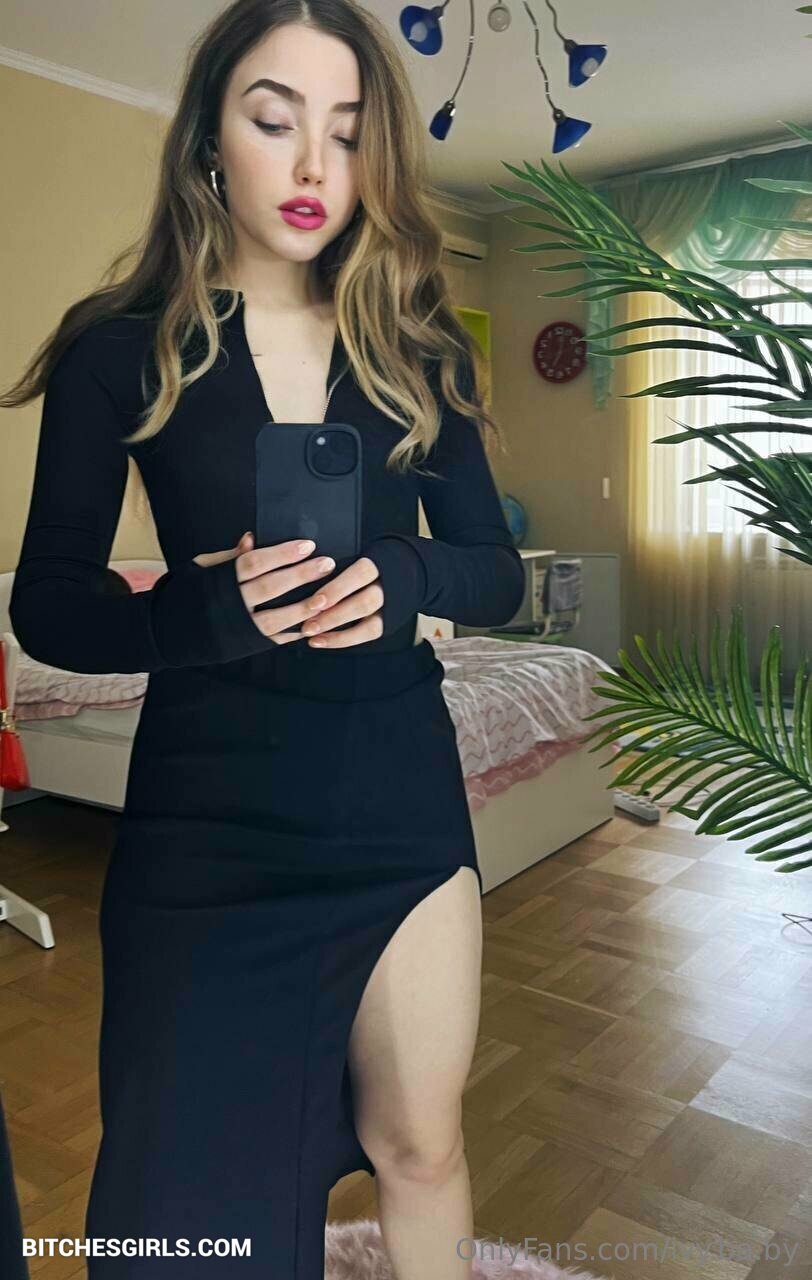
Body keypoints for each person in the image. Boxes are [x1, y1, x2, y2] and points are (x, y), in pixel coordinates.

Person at [2, 1, 525, 1276]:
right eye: (273, 119)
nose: (309, 165)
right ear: (208, 139)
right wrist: (200, 608)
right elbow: (47, 603)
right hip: (206, 810)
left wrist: (402, 572)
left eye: (344, 132)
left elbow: (496, 576)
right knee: (180, 1191)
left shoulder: (418, 346)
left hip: (393, 789)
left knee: (420, 1143)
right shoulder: (118, 350)